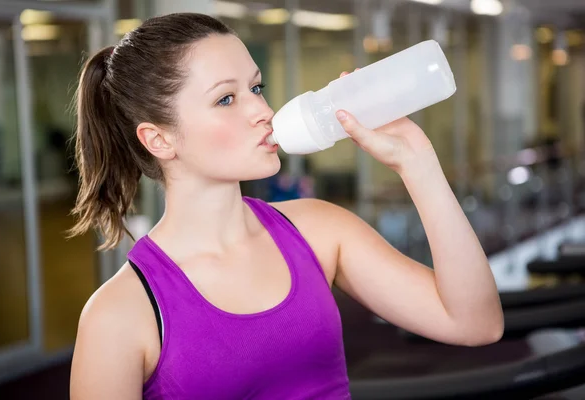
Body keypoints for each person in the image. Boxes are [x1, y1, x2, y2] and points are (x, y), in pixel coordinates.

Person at [67, 13, 504, 400]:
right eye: (226, 98)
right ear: (158, 139)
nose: (263, 109)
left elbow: (476, 323)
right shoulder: (118, 315)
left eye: (256, 87)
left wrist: (417, 162)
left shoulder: (319, 228)